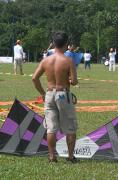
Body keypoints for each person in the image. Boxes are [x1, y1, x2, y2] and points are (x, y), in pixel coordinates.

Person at [32, 31, 78, 163]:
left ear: (54, 43)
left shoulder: (46, 60)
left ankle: (52, 157)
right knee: (70, 127)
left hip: (49, 94)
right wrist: (70, 80)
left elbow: (34, 78)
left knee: (51, 128)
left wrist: (42, 93)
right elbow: (74, 81)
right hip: (63, 94)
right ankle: (70, 157)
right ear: (66, 44)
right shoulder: (68, 60)